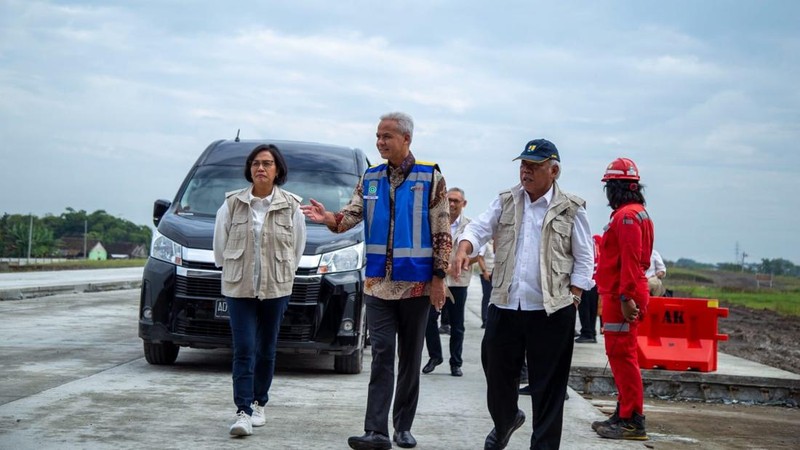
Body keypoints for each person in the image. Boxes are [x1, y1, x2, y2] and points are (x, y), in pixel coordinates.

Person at [301, 112, 450, 450]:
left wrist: (439, 277)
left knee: (410, 358)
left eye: (387, 136)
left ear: (406, 139)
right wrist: (329, 219)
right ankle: (376, 431)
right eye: (378, 136)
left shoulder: (430, 177)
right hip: (377, 285)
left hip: (416, 284)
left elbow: (442, 230)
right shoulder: (370, 177)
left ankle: (403, 427)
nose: (380, 142)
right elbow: (350, 217)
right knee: (382, 352)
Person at [453, 138, 594, 450]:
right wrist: (464, 247)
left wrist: (574, 298)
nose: (525, 172)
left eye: (534, 166)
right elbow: (477, 229)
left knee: (548, 388)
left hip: (552, 311)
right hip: (506, 305)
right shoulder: (506, 200)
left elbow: (585, 258)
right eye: (523, 165)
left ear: (553, 171)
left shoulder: (570, 208)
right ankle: (506, 419)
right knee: (496, 373)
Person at [213, 144, 307, 437]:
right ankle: (242, 411)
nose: (260, 168)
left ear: (277, 169)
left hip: (276, 287)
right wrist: (231, 270)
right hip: (239, 286)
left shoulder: (291, 206)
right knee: (243, 348)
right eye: (255, 163)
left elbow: (297, 249)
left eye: (267, 163)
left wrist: (281, 273)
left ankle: (258, 402)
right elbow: (220, 247)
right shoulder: (231, 204)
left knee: (266, 349)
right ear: (249, 169)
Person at [592, 157, 654, 441]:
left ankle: (632, 420)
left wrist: (626, 296)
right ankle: (625, 411)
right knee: (620, 356)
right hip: (623, 292)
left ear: (616, 188)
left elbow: (629, 260)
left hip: (623, 294)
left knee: (623, 357)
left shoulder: (626, 216)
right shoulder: (638, 212)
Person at [423, 187, 472, 377]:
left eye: (456, 201)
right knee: (429, 320)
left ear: (463, 204)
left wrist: (453, 267)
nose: (452, 204)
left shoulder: (469, 226)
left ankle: (456, 363)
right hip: (436, 280)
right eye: (449, 200)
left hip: (458, 282)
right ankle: (435, 356)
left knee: (457, 324)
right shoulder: (435, 222)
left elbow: (475, 254)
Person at [575, 235, 602, 343]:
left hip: (587, 277)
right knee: (592, 307)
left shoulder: (586, 241)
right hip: (596, 278)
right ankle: (591, 331)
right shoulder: (595, 243)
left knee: (584, 307)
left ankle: (587, 332)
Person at [477, 239, 495, 328]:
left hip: (496, 273)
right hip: (487, 273)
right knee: (487, 296)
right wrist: (484, 271)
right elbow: (480, 257)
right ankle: (485, 319)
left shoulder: (500, 241)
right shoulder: (486, 243)